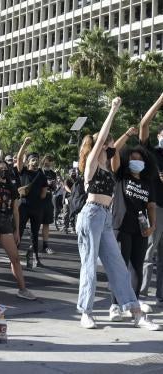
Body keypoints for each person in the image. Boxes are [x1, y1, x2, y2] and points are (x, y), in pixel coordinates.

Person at [76, 96, 160, 331]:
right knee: (90, 264)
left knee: (118, 266)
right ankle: (86, 311)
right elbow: (102, 137)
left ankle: (133, 310)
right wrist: (112, 110)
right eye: (107, 143)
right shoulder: (92, 163)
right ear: (100, 146)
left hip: (104, 216)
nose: (111, 145)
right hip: (91, 214)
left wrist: (122, 136)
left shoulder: (109, 168)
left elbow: (115, 145)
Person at [108, 126, 157, 320]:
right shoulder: (121, 176)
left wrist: (152, 226)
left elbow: (151, 206)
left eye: (140, 159)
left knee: (137, 267)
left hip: (140, 230)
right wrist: (128, 134)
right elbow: (112, 152)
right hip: (120, 226)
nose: (136, 161)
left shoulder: (147, 182)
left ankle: (133, 303)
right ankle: (114, 305)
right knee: (119, 266)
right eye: (133, 158)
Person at [0, 141, 36, 301]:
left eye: (5, 168)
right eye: (0, 169)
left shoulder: (12, 187)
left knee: (15, 257)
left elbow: (15, 209)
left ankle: (22, 289)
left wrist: (17, 230)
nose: (3, 170)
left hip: (6, 222)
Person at [139, 93, 163, 307]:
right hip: (156, 207)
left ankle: (161, 296)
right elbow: (144, 123)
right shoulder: (151, 153)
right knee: (149, 250)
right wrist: (159, 101)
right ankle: (142, 295)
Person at [16, 137, 48, 269]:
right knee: (19, 230)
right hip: (24, 206)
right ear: (28, 162)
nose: (35, 161)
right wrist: (24, 144)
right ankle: (15, 255)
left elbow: (44, 192)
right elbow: (18, 159)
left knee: (35, 233)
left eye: (36, 159)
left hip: (35, 207)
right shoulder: (23, 171)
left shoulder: (42, 175)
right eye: (32, 159)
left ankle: (35, 257)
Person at [40, 154, 57, 255]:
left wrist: (53, 185)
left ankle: (45, 246)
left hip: (48, 200)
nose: (49, 162)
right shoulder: (39, 171)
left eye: (51, 161)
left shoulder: (53, 173)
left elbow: (53, 188)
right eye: (47, 160)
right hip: (39, 199)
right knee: (36, 223)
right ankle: (33, 244)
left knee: (46, 223)